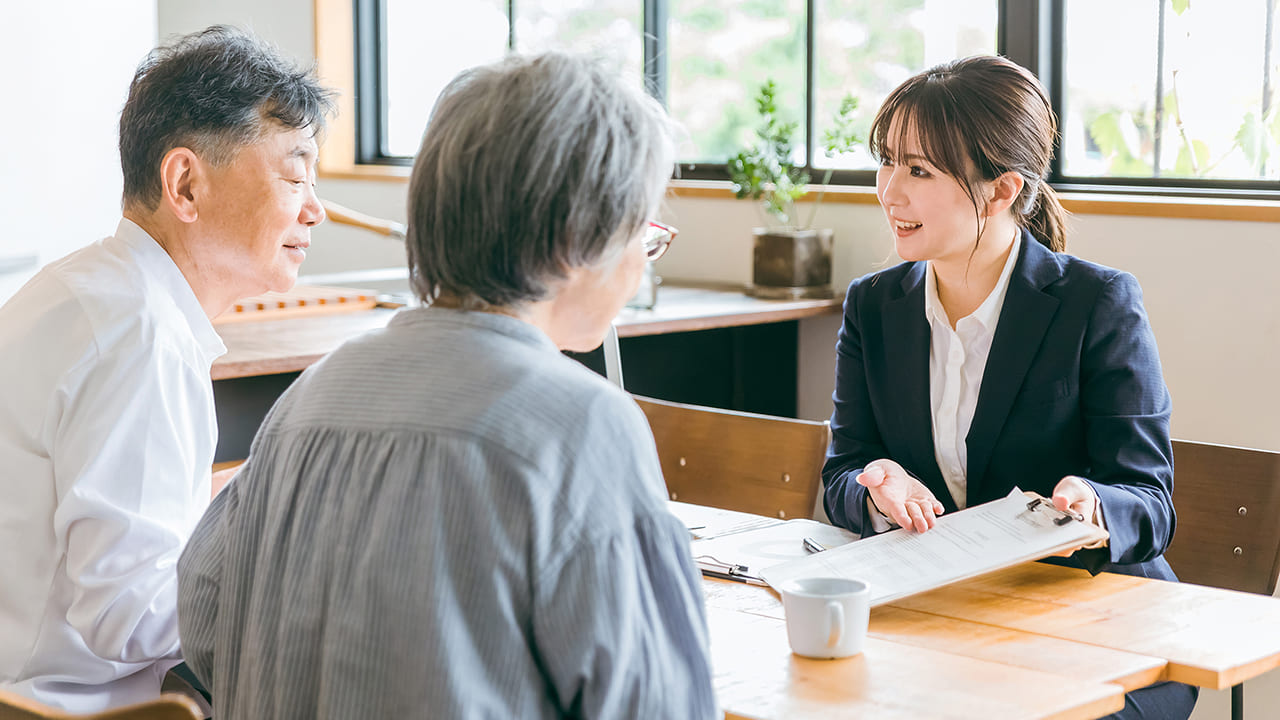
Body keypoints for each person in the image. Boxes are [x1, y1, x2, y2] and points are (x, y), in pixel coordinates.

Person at [176, 52, 718, 719]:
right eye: (644, 232)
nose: (642, 260)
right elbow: (658, 706)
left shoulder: (311, 398)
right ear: (580, 236)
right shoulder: (581, 427)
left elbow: (202, 625)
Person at [821, 55, 1196, 719]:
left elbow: (1151, 502)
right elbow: (843, 474)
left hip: (1100, 628)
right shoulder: (873, 306)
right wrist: (877, 485)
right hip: (945, 622)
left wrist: (1092, 504)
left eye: (918, 170)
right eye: (887, 161)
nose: (888, 191)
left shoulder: (1097, 302)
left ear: (999, 191)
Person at [0, 26, 331, 712]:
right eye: (295, 174)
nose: (315, 209)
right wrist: (294, 577)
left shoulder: (85, 288)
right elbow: (129, 613)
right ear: (184, 183)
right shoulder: (142, 335)